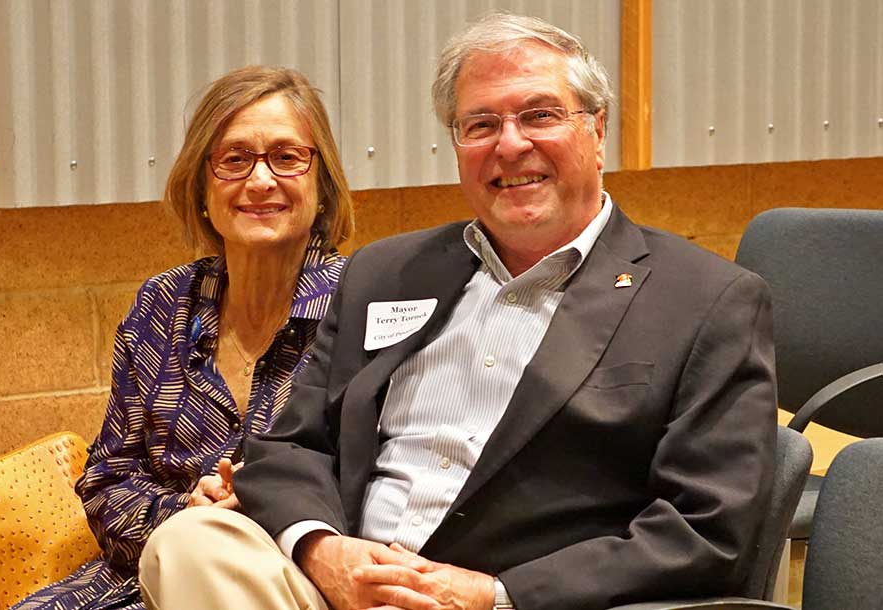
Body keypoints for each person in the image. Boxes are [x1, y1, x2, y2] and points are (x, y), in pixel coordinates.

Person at [139, 13, 777, 610]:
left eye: (540, 115)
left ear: (598, 129)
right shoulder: (386, 273)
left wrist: (493, 594)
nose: (511, 145)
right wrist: (321, 550)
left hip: (509, 601)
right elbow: (292, 445)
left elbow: (707, 529)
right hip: (335, 588)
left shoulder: (706, 301)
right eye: (480, 125)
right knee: (190, 540)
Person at [10, 66, 354, 610]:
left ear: (323, 187)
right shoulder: (165, 304)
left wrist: (262, 510)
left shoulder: (363, 309)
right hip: (141, 577)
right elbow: (106, 483)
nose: (260, 180)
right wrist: (185, 513)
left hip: (290, 584)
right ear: (201, 189)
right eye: (234, 160)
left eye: (286, 157)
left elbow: (389, 493)